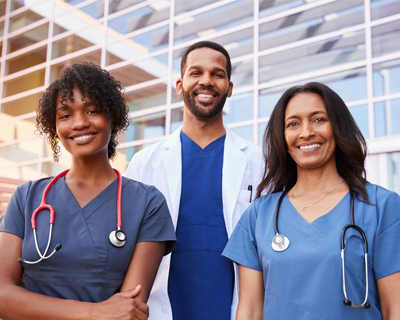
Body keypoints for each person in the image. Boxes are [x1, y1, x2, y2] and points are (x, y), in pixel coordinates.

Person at [0, 62, 176, 320]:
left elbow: (128, 312)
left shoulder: (147, 203)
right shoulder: (27, 198)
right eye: (65, 115)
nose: (79, 123)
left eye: (92, 110)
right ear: (54, 126)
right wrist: (94, 312)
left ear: (112, 117)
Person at [222, 82, 400, 320]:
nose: (306, 132)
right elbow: (251, 311)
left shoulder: (382, 207)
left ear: (338, 128)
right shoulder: (258, 217)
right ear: (282, 138)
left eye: (318, 119)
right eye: (293, 124)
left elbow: (394, 308)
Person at [125, 41, 263, 320]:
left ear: (230, 87)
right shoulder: (144, 162)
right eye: (196, 72)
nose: (206, 81)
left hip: (235, 310)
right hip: (161, 310)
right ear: (180, 84)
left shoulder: (259, 162)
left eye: (217, 74)